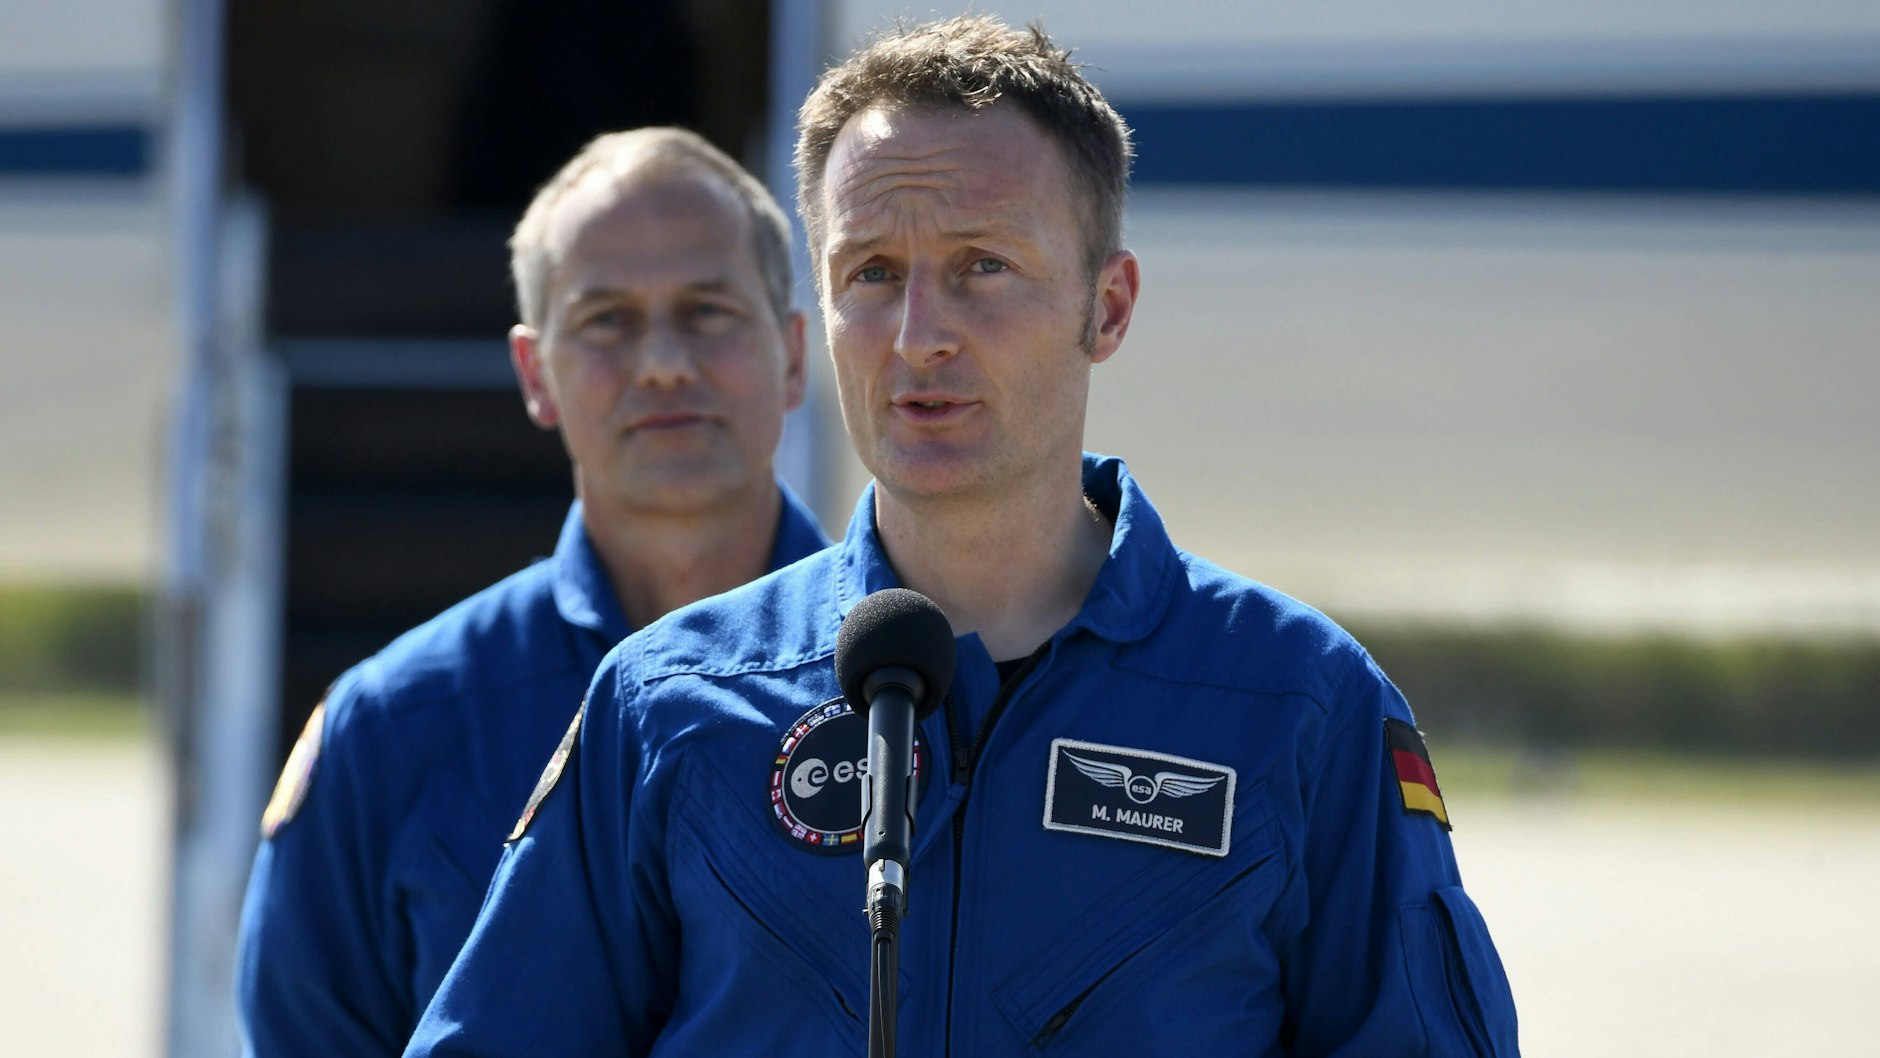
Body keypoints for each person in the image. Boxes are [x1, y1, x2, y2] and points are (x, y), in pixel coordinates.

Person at [406, 17, 1519, 1057]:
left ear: (1108, 307)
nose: (916, 335)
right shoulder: (665, 705)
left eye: (981, 266)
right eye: (870, 274)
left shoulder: (1296, 706)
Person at [234, 127, 832, 1058]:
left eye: (709, 309)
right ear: (535, 373)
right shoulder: (393, 729)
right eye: (606, 320)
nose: (664, 361)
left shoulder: (919, 689)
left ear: (794, 354)